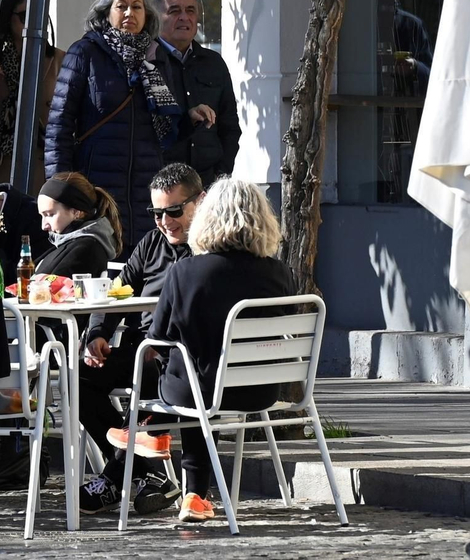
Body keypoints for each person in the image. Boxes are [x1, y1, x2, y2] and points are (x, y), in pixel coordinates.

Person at [117, 177, 295, 524]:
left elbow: (157, 338)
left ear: (206, 218)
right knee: (195, 373)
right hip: (261, 391)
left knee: (185, 372)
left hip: (200, 393)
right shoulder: (279, 273)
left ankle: (155, 431)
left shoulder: (186, 271)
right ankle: (191, 490)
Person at [77, 163, 202, 516]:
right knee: (78, 378)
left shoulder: (209, 246)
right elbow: (118, 290)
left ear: (200, 201)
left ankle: (116, 474)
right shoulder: (152, 242)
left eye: (174, 211)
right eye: (156, 213)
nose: (165, 221)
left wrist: (159, 344)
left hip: (178, 358)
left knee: (147, 379)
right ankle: (146, 474)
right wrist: (97, 334)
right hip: (139, 348)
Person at [45, 0, 182, 257]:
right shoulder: (85, 53)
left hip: (147, 191)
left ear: (147, 15)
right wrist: (61, 189)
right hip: (98, 189)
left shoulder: (157, 58)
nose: (130, 13)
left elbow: (165, 125)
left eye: (137, 6)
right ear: (107, 12)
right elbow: (59, 126)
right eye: (121, 6)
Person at [152, 0, 241, 185]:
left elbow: (230, 127)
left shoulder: (214, 63)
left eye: (190, 10)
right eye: (174, 11)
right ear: (157, 17)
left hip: (207, 182)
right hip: (161, 185)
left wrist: (221, 176)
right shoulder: (148, 62)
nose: (184, 17)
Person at [0, 0, 62, 190]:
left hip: (44, 163)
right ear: (9, 18)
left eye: (41, 16)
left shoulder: (59, 59)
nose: (34, 23)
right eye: (25, 16)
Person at [33, 172, 122, 277]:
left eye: (50, 214)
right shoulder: (68, 244)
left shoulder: (86, 249)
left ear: (77, 212)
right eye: (42, 216)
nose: (44, 226)